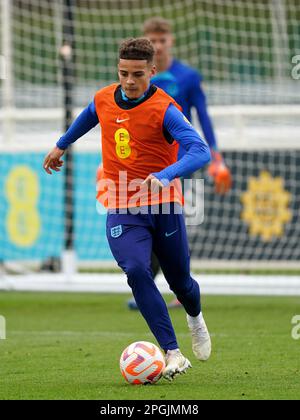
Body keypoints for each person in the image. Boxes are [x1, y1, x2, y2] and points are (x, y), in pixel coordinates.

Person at [43, 38, 211, 381]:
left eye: (137, 74)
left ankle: (195, 318)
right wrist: (61, 145)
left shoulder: (165, 108)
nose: (129, 81)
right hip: (121, 202)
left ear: (152, 71)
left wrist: (165, 175)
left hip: (163, 204)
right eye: (123, 73)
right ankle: (172, 351)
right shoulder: (105, 97)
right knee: (136, 269)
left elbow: (199, 151)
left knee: (181, 282)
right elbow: (90, 115)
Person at [127, 17, 232, 310]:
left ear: (170, 41)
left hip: (181, 161)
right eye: (153, 41)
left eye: (163, 40)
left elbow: (203, 117)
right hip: (145, 159)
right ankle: (150, 286)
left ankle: (177, 287)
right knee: (150, 220)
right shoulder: (138, 77)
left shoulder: (188, 77)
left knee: (174, 221)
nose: (158, 46)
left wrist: (216, 157)